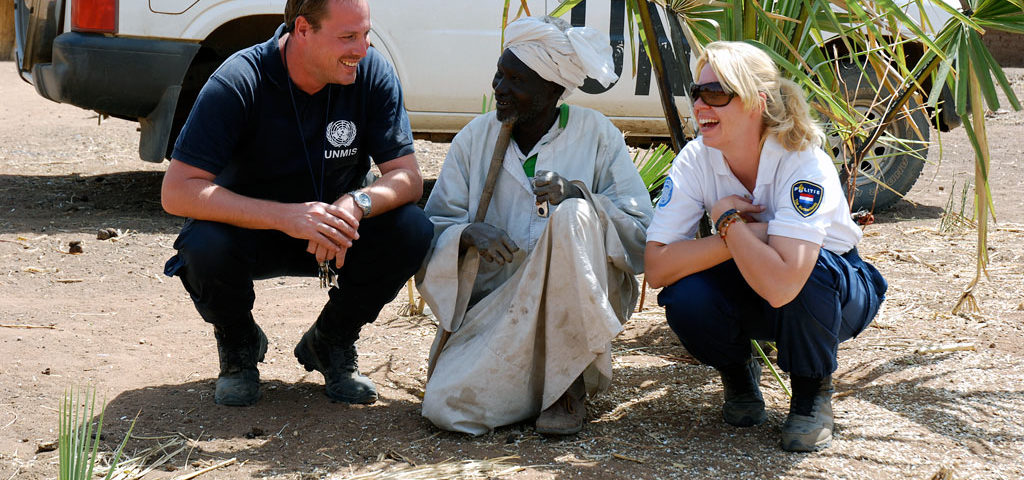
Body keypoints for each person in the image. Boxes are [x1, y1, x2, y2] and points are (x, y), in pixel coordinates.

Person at [160, 0, 432, 407]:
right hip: (251, 233)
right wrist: (286, 217)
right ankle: (239, 345)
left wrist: (356, 203)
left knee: (413, 229)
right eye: (348, 37)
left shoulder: (370, 72)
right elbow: (177, 190)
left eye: (365, 34)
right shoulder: (240, 79)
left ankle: (332, 341)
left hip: (333, 235)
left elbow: (408, 178)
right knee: (202, 246)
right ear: (302, 29)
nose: (362, 48)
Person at [644, 41, 888, 452]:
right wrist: (739, 231)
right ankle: (738, 374)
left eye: (717, 93)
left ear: (757, 102)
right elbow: (657, 268)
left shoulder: (801, 160)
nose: (702, 104)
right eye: (697, 92)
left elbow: (783, 284)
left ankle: (812, 396)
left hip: (834, 291)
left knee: (806, 271)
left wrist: (727, 220)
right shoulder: (695, 159)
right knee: (684, 296)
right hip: (756, 277)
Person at [417, 16, 653, 436]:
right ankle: (526, 387)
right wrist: (467, 235)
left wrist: (580, 196)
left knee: (574, 215)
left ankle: (568, 384)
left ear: (552, 91)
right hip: (497, 309)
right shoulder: (475, 138)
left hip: (575, 310)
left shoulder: (596, 135)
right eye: (499, 73)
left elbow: (641, 233)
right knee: (446, 409)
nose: (499, 88)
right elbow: (434, 226)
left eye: (515, 80)